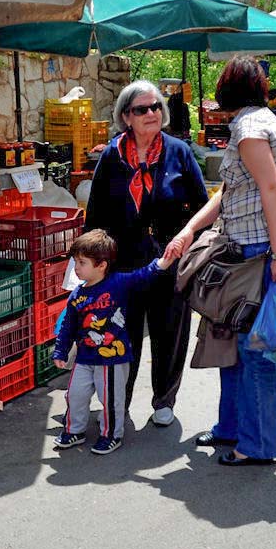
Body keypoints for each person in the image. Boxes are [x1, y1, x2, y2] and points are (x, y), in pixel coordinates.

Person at [166, 57, 276, 466]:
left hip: (256, 250)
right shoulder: (261, 120)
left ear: (228, 88)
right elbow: (229, 193)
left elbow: (273, 188)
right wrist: (189, 230)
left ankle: (257, 445)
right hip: (249, 247)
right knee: (232, 344)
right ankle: (231, 428)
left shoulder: (248, 127)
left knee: (253, 351)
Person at [85, 80, 207, 429]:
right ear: (126, 117)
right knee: (124, 336)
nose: (152, 113)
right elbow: (96, 215)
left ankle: (164, 399)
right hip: (124, 265)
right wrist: (94, 265)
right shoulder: (112, 157)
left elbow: (202, 206)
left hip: (170, 262)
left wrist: (189, 242)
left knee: (170, 333)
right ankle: (119, 401)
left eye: (155, 107)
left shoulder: (178, 151)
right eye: (142, 109)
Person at [51, 230, 173, 455]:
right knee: (74, 395)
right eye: (75, 261)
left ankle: (111, 435)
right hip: (84, 357)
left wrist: (165, 260)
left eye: (82, 262)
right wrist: (60, 351)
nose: (76, 268)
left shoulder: (118, 283)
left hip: (112, 359)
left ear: (101, 265)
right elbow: (68, 326)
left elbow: (144, 275)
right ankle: (74, 430)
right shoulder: (76, 295)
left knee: (111, 400)